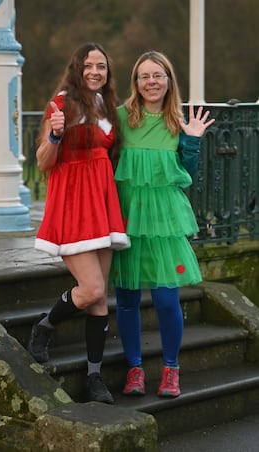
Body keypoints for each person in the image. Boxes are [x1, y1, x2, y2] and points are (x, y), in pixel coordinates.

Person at [28, 42, 129, 405]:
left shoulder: (106, 106)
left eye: (101, 66)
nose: (95, 72)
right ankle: (45, 325)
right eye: (88, 66)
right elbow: (42, 161)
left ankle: (94, 376)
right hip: (73, 204)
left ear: (107, 72)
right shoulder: (62, 103)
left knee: (101, 297)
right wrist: (55, 134)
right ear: (77, 68)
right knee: (92, 290)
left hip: (101, 205)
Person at [110, 51, 215, 398]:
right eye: (144, 76)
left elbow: (186, 175)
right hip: (127, 218)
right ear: (136, 83)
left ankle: (171, 369)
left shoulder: (179, 121)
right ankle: (135, 369)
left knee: (167, 299)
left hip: (165, 221)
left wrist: (193, 141)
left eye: (158, 75)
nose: (151, 82)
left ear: (169, 80)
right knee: (125, 299)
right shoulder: (121, 118)